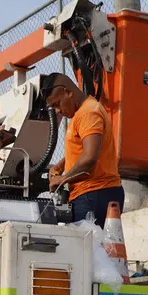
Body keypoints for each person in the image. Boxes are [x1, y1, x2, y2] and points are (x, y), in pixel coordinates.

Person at [41, 72, 124, 228]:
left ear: (68, 92)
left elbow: (89, 157)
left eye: (57, 104)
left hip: (94, 193)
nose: (58, 111)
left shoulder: (88, 113)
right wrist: (60, 165)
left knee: (89, 248)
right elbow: (84, 149)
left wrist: (63, 178)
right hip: (91, 194)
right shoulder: (82, 113)